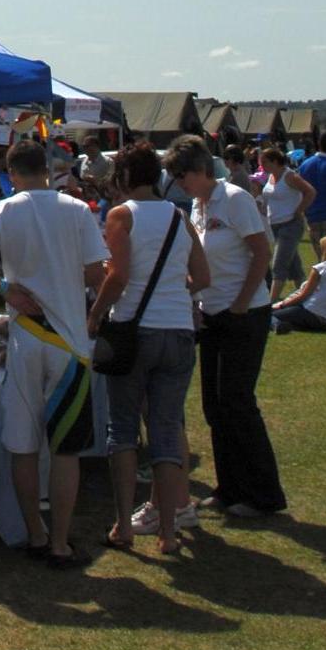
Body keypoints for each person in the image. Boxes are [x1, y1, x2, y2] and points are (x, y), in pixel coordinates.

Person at [0, 139, 109, 569]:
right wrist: (92, 310)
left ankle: (35, 534)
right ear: (47, 169)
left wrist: (5, 288)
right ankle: (61, 542)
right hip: (69, 342)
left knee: (23, 445)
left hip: (26, 338)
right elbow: (98, 271)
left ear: (11, 173)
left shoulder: (5, 209)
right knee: (66, 450)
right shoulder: (77, 210)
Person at [86, 142, 209, 555]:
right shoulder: (179, 216)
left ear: (122, 178)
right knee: (167, 430)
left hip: (133, 332)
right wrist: (174, 290)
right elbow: (203, 276)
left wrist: (95, 314)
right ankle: (169, 530)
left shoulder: (122, 216)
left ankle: (123, 524)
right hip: (177, 330)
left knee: (122, 431)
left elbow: (118, 277)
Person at [169, 134, 286, 518]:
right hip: (213, 313)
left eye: (182, 174)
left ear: (202, 169)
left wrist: (240, 302)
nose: (179, 182)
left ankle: (263, 495)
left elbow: (261, 252)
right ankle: (229, 488)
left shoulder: (235, 199)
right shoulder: (198, 207)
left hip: (245, 313)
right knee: (214, 406)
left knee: (237, 403)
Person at [259, 146, 317, 302]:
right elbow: (271, 197)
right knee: (294, 266)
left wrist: (299, 210)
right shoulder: (270, 177)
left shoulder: (289, 176)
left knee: (279, 265)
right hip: (276, 225)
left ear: (275, 161)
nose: (262, 165)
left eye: (265, 162)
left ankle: (270, 304)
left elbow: (310, 192)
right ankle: (304, 297)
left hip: (290, 225)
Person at [273, 235, 326, 334]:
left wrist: (282, 305)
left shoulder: (320, 268)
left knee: (270, 316)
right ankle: (286, 325)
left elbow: (304, 295)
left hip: (313, 312)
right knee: (290, 317)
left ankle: (278, 325)